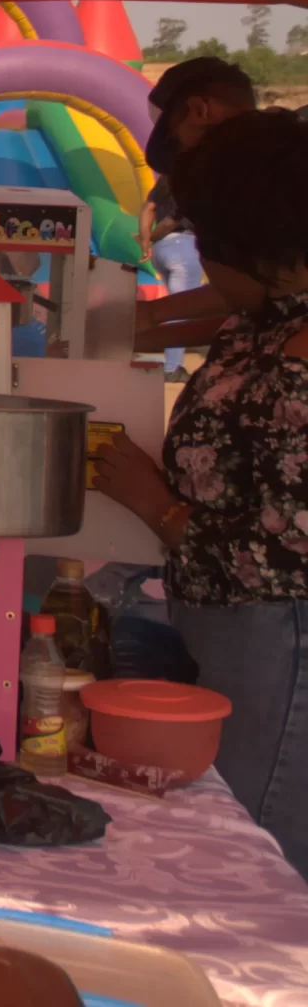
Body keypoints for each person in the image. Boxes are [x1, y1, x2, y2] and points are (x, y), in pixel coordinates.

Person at [93, 109, 308, 875]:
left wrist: (156, 503)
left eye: (207, 239)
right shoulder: (265, 321)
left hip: (277, 633)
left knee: (254, 838)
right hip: (225, 618)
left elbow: (285, 545)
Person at [138, 56, 261, 359]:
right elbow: (255, 309)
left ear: (199, 110)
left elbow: (261, 292)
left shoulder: (267, 181)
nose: (185, 157)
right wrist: (148, 321)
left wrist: (153, 315)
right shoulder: (263, 170)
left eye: (178, 140)